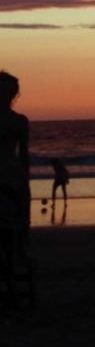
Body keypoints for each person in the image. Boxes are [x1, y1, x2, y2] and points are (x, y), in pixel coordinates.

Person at [0, 71, 30, 234]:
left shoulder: (20, 121)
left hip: (13, 177)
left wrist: (25, 182)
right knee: (18, 224)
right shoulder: (19, 121)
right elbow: (24, 156)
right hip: (13, 176)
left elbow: (24, 156)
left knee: (18, 225)